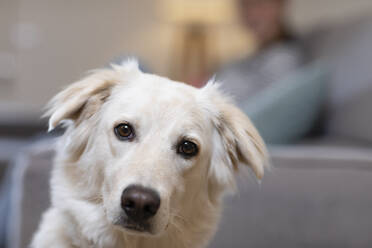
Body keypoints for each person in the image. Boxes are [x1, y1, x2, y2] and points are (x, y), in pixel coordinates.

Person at [217, 0, 305, 105]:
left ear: (280, 5)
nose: (251, 13)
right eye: (244, 5)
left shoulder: (284, 60)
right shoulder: (250, 58)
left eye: (259, 3)